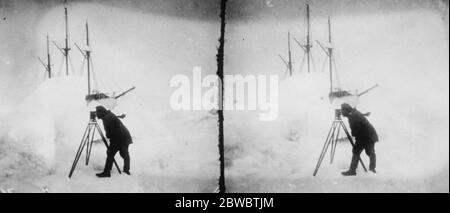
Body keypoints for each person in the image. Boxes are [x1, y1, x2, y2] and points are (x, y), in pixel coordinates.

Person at [341, 103, 378, 176]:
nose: (341, 113)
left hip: (367, 136)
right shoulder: (354, 113)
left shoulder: (353, 117)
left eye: (342, 110)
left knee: (359, 151)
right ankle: (372, 169)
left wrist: (353, 131)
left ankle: (353, 171)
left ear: (346, 110)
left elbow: (354, 133)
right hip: (368, 135)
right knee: (365, 151)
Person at [95, 105, 132, 178]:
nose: (96, 115)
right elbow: (114, 119)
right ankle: (126, 170)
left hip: (119, 138)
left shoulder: (107, 119)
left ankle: (107, 172)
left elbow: (109, 134)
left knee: (110, 153)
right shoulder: (109, 115)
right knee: (124, 154)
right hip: (125, 137)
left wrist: (108, 136)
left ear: (101, 113)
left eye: (97, 113)